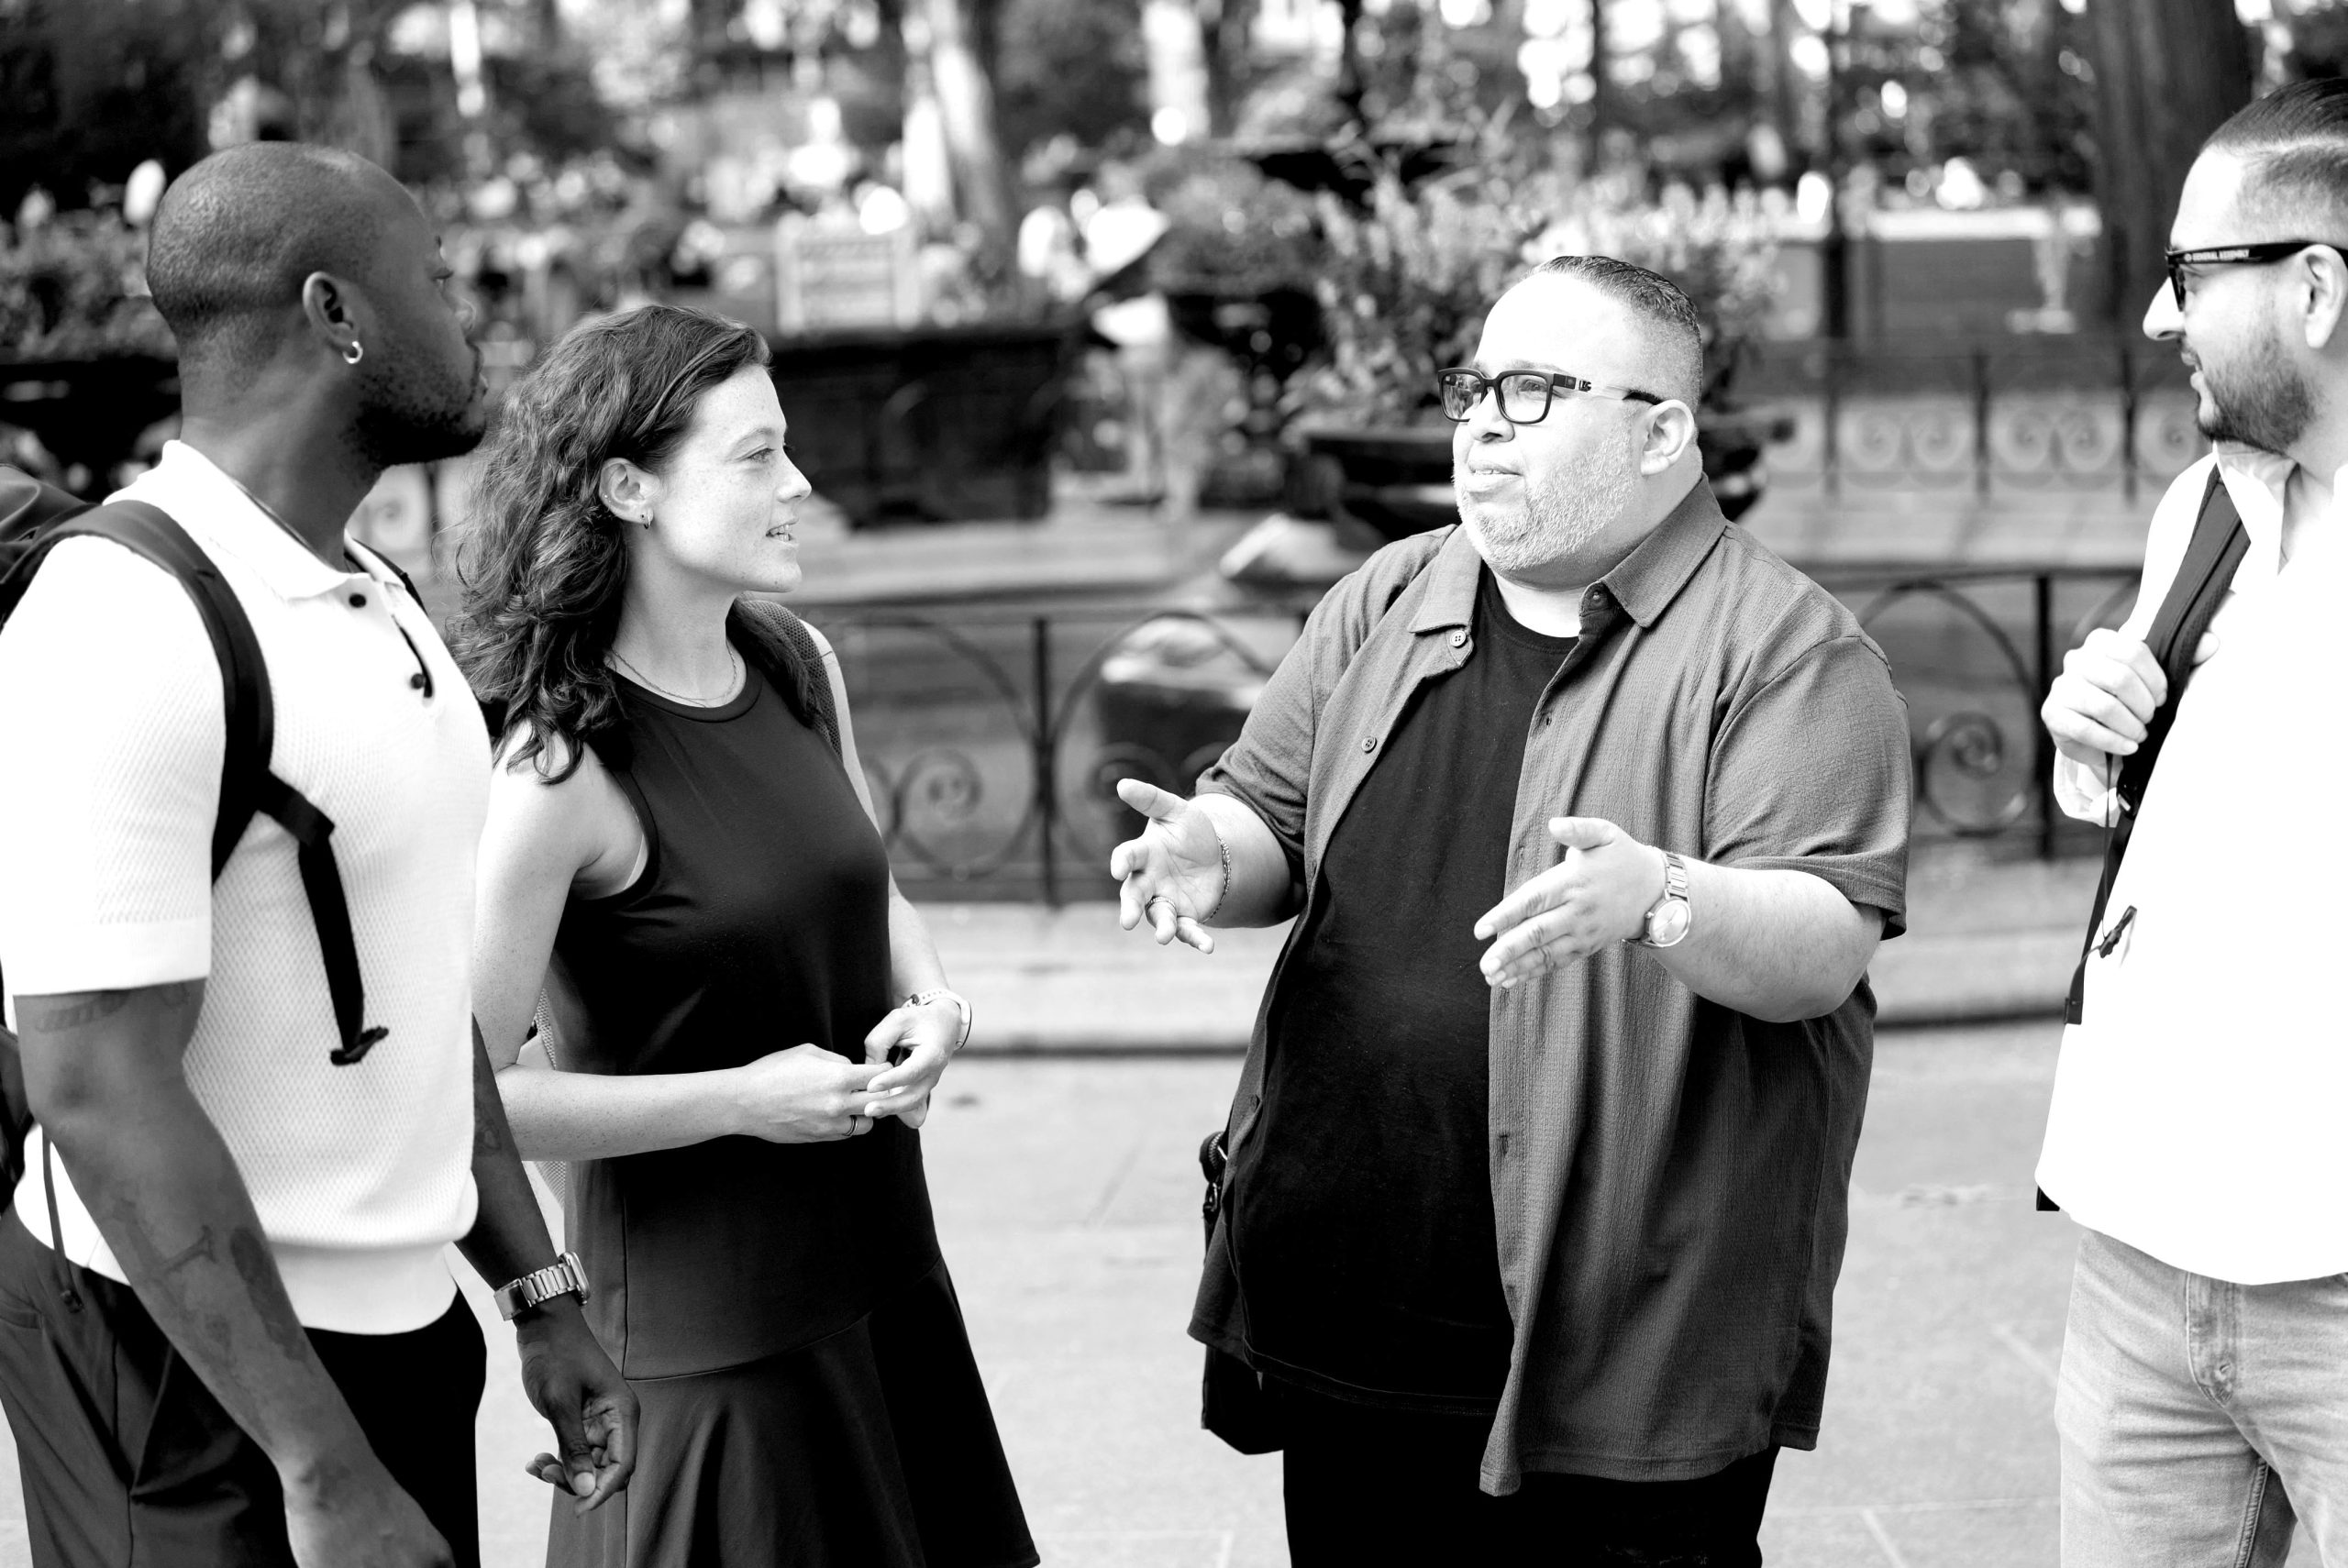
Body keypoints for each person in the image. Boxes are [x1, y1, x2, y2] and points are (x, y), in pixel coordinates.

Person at [1112, 255, 1912, 1565]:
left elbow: (1825, 946)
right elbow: (1271, 818)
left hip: (1618, 1342)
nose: (1481, 420)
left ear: (1663, 432)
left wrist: (1660, 897)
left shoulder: (1789, 655)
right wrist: (1211, 851)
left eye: (1534, 390)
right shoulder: (1387, 593)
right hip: (1349, 1302)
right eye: (1476, 385)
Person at [0, 143, 635, 1568]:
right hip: (185, 1379)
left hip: (393, 1339)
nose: (471, 316)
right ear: (337, 312)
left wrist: (535, 1286)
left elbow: (417, 992)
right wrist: (319, 1463)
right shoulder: (123, 623)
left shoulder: (377, 598)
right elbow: (96, 1083)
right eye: (437, 278)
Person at [453, 304, 1036, 1568]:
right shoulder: (557, 770)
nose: (801, 483)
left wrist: (938, 1008)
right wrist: (737, 1098)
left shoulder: (793, 661)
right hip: (709, 1353)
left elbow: (869, 889)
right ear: (628, 488)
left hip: (889, 1288)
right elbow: (462, 1100)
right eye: (757, 455)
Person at [2035, 77, 2348, 1565]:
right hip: (2141, 1255)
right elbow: (2168, 794)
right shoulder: (2207, 507)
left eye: (2188, 275)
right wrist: (2094, 737)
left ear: (2315, 286)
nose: (2161, 320)